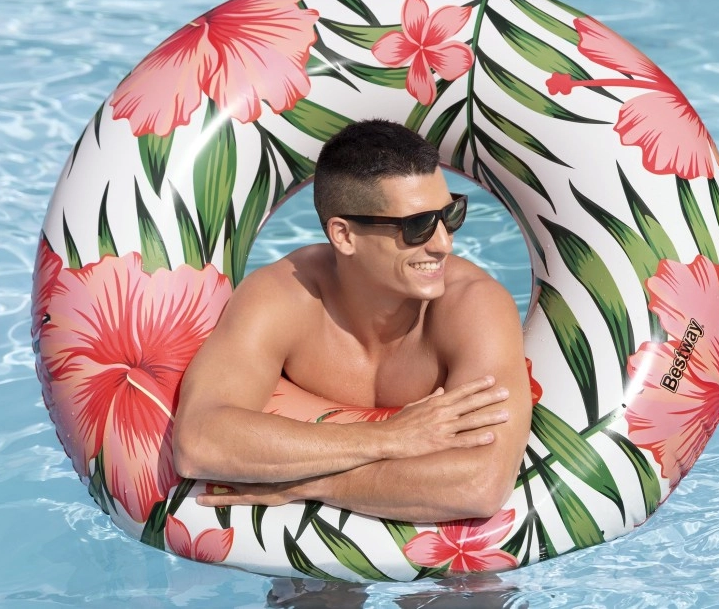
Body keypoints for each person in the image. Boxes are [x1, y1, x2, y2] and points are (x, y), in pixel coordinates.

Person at [173, 119, 531, 522]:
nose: (443, 243)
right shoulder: (285, 297)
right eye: (417, 226)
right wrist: (388, 438)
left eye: (450, 215)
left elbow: (480, 484)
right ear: (344, 236)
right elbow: (198, 441)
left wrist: (307, 483)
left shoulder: (474, 306)